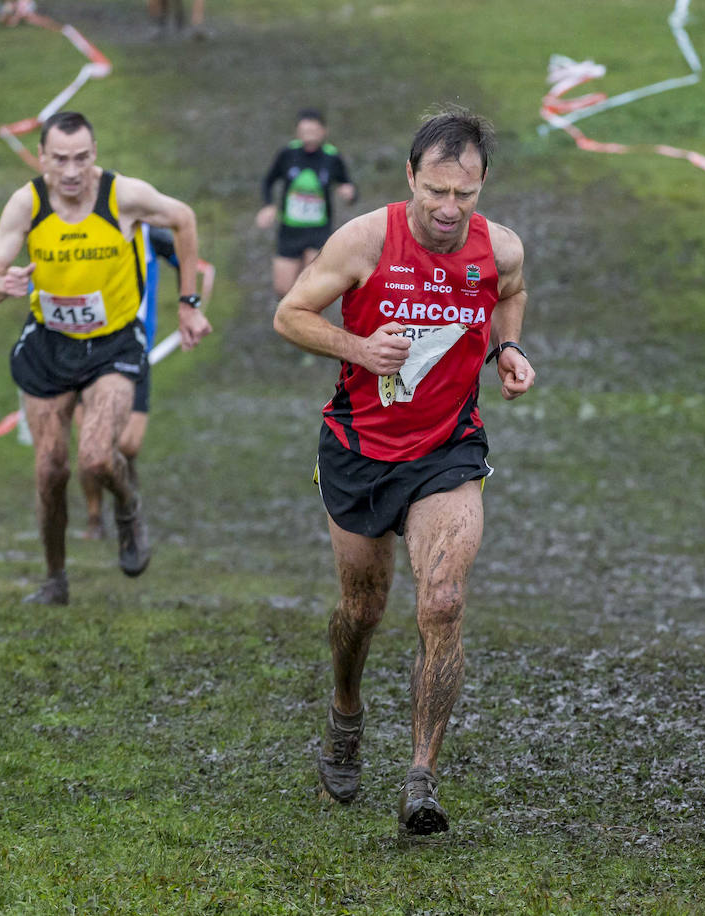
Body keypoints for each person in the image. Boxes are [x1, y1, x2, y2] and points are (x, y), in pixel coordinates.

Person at [273, 108, 535, 835]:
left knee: (443, 602)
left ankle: (422, 774)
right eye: (436, 193)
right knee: (362, 611)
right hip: (359, 449)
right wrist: (359, 348)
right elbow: (289, 315)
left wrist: (505, 352)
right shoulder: (363, 241)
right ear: (410, 179)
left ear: (482, 186)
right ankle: (347, 708)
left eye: (466, 195)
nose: (450, 211)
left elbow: (509, 295)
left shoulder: (501, 250)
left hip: (448, 449)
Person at [0, 111, 212, 604]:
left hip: (112, 346)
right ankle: (55, 580)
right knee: (50, 470)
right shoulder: (27, 203)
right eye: (59, 159)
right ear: (41, 157)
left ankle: (127, 507)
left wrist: (187, 304)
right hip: (48, 345)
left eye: (81, 158)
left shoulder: (121, 196)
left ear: (95, 154)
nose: (70, 171)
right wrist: (2, 284)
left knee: (98, 456)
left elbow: (184, 218)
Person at [80, 226, 217, 539]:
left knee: (128, 444)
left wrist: (190, 305)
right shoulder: (86, 234)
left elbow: (186, 259)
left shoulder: (150, 236)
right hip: (85, 353)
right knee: (90, 450)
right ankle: (94, 518)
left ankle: (125, 484)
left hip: (133, 352)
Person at [257, 110, 356, 298]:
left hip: (318, 230)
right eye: (304, 131)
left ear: (323, 131)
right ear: (297, 132)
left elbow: (348, 185)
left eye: (313, 130)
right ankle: (289, 323)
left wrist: (349, 193)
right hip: (289, 230)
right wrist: (268, 205)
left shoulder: (332, 157)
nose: (308, 135)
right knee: (283, 289)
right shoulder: (288, 153)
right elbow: (268, 181)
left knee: (311, 288)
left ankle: (307, 324)